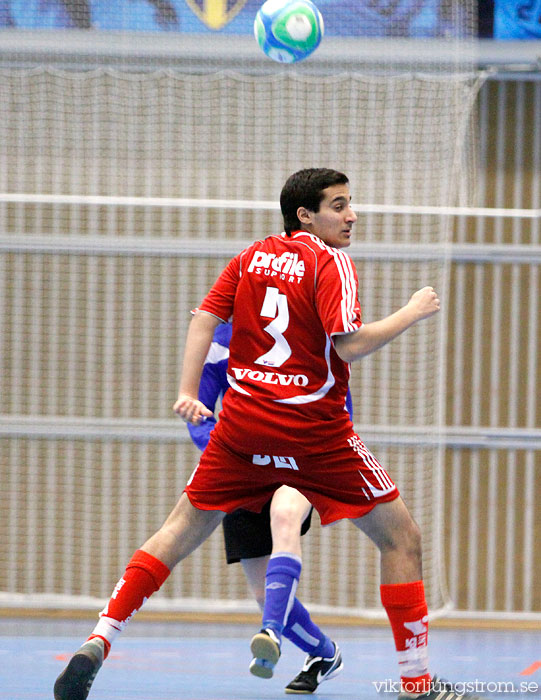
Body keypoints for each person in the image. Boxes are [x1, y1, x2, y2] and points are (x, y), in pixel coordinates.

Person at [54, 167, 471, 700]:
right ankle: (416, 685)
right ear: (306, 215)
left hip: (243, 429)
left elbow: (204, 319)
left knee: (177, 531)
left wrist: (187, 390)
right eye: (339, 206)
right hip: (312, 432)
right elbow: (348, 345)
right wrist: (412, 312)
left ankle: (99, 638)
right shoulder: (331, 261)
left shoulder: (251, 256)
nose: (352, 216)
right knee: (401, 538)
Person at [187, 320, 348, 692]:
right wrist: (228, 450)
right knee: (266, 596)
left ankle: (270, 633)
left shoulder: (313, 335)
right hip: (243, 466)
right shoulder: (220, 340)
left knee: (285, 514)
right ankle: (325, 654)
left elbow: (341, 407)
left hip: (300, 460)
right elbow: (201, 411)